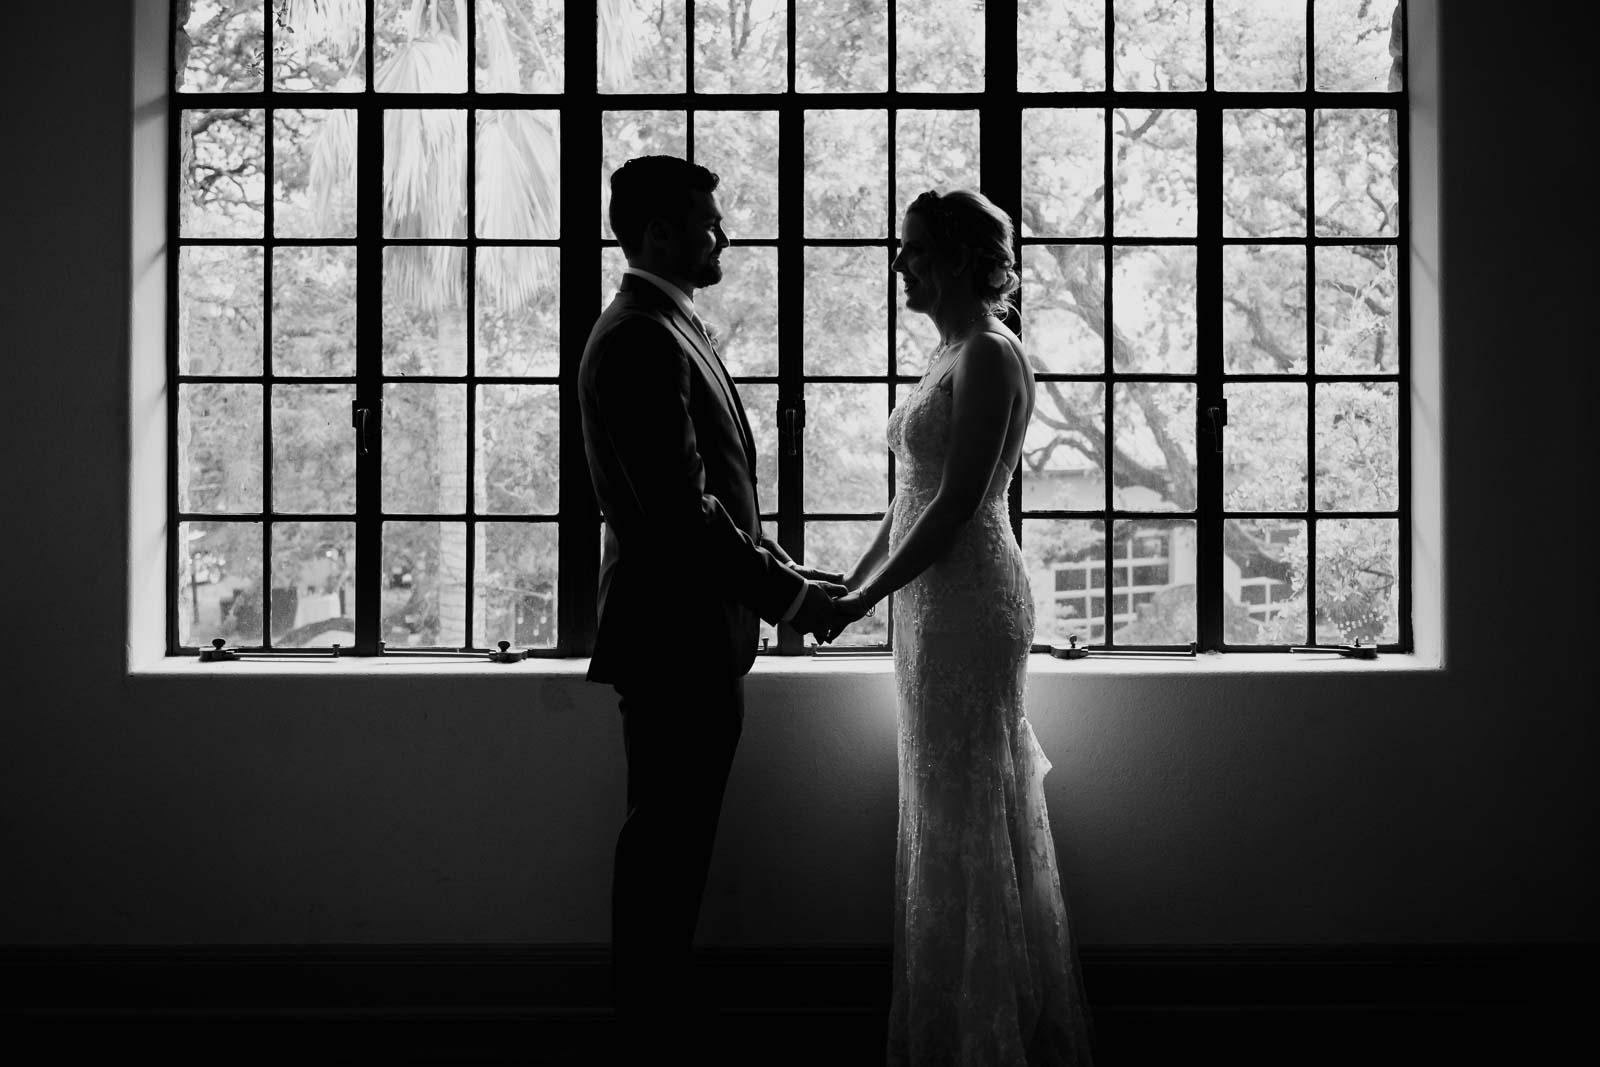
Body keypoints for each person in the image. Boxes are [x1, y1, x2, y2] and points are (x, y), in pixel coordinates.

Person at [577, 155, 847, 1055]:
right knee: (662, 853)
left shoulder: (666, 325)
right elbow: (681, 514)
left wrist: (788, 569)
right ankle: (646, 1030)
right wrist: (787, 599)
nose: (720, 234)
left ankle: (654, 1019)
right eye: (706, 221)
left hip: (696, 638)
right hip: (674, 643)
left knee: (676, 851)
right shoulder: (637, 338)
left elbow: (712, 503)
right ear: (657, 231)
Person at [828, 189, 1096, 1065]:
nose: (898, 264)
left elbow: (955, 507)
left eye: (908, 250)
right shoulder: (945, 352)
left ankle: (987, 1032)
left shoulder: (988, 353)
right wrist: (849, 585)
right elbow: (905, 501)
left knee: (968, 799)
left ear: (945, 257)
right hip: (926, 603)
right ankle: (945, 1017)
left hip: (971, 600)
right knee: (938, 801)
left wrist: (866, 601)